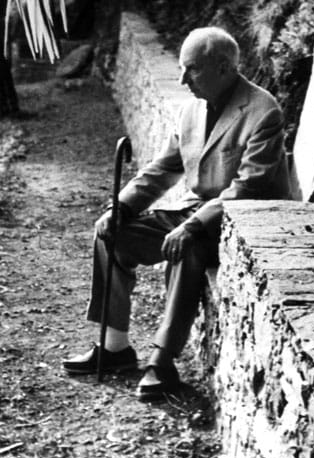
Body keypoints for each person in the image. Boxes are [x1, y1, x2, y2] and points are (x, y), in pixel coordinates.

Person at [63, 26, 292, 401]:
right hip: (195, 213)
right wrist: (120, 206)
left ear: (222, 67)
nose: (183, 79)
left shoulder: (262, 111)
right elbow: (162, 169)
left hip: (240, 224)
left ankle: (162, 361)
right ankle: (115, 346)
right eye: (182, 70)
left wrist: (191, 225)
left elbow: (248, 188)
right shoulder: (191, 110)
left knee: (189, 248)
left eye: (192, 69)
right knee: (109, 234)